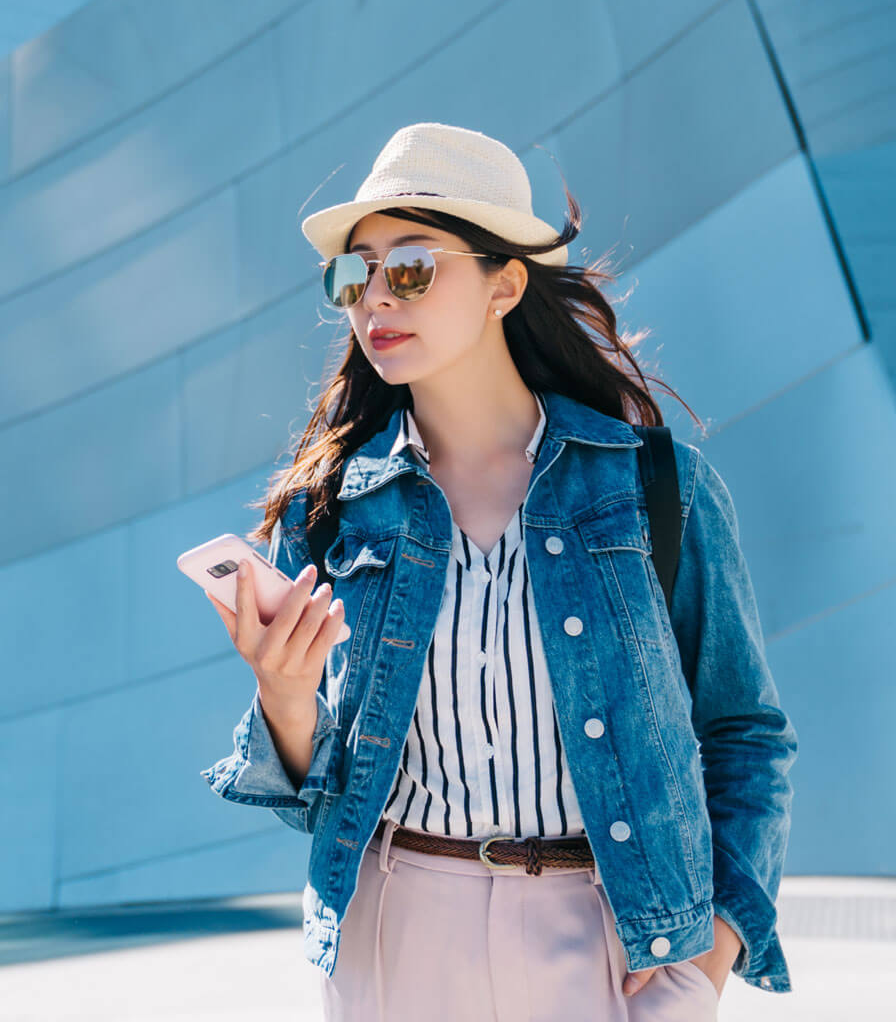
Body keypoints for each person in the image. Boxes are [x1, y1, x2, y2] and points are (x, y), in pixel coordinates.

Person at [200, 122, 797, 1020]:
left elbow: (745, 732)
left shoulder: (650, 486)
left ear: (504, 284)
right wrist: (283, 700)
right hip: (395, 928)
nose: (374, 301)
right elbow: (310, 791)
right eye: (354, 276)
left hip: (608, 933)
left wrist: (711, 952)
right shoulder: (333, 507)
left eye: (410, 267)